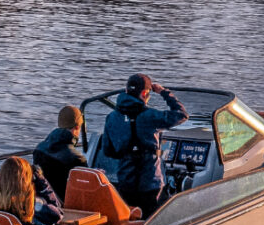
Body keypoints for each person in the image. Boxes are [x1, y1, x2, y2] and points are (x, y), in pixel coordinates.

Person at [95, 74, 188, 211]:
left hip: (125, 181)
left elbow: (108, 151)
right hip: (150, 183)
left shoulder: (112, 117)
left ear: (126, 91)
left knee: (131, 214)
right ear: (144, 93)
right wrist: (164, 92)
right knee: (152, 216)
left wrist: (127, 153)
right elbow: (182, 114)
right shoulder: (151, 115)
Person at [33, 105, 88, 198]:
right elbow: (86, 189)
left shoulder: (39, 149)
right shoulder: (77, 159)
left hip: (43, 199)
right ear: (77, 127)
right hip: (64, 203)